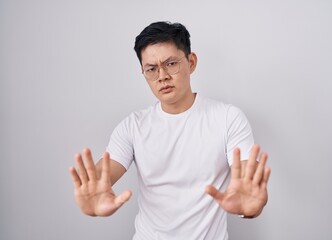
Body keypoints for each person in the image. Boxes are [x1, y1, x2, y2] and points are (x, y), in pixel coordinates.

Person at [69, 21, 271, 240]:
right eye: (151, 69)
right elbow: (101, 179)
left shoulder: (227, 118)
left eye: (171, 63)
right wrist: (92, 196)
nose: (162, 76)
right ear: (143, 72)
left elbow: (248, 187)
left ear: (191, 62)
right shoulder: (133, 126)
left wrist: (249, 210)